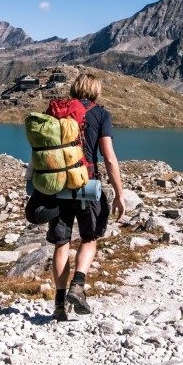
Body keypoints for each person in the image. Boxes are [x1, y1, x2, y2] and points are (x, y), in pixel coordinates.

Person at [48, 73, 126, 321]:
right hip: (87, 185)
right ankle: (78, 285)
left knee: (62, 243)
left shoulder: (57, 112)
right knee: (89, 237)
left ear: (75, 88)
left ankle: (59, 305)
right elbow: (109, 158)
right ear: (96, 90)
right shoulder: (101, 114)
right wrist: (119, 193)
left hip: (58, 186)